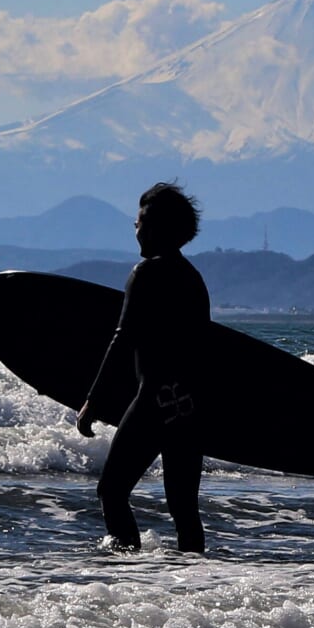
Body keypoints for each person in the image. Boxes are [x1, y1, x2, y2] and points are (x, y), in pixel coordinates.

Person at [78, 182, 212, 551]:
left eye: (138, 221)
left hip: (153, 400)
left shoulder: (145, 274)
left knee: (111, 490)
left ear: (153, 227)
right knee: (184, 509)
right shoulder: (192, 279)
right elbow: (203, 350)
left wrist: (93, 401)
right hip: (188, 405)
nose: (135, 229)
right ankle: (194, 583)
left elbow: (123, 341)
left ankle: (127, 573)